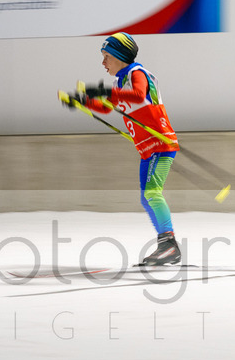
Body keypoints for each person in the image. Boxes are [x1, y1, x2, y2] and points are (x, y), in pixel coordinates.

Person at [68, 32, 181, 266]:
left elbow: (138, 95)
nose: (103, 63)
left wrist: (105, 92)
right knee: (146, 198)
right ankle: (166, 244)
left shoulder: (136, 73)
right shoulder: (119, 82)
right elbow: (109, 107)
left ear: (119, 56)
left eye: (106, 56)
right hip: (147, 149)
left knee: (152, 194)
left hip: (160, 143)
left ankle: (169, 245)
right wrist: (82, 101)